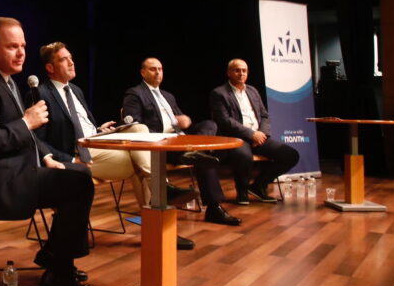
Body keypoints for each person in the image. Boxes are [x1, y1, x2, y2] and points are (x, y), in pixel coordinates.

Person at [0, 18, 100, 286]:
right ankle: (59, 270)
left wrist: (46, 157)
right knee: (79, 184)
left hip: (21, 170)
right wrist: (26, 122)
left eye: (23, 45)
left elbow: (26, 135)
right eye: (12, 46)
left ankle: (56, 259)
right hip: (2, 182)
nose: (21, 52)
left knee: (80, 175)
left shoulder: (4, 80)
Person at [32, 42, 199, 250]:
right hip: (78, 155)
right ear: (50, 67)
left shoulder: (75, 90)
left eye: (71, 58)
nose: (71, 62)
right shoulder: (42, 93)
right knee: (140, 149)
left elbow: (81, 124)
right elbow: (36, 138)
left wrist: (99, 129)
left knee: (138, 134)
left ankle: (159, 220)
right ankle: (161, 208)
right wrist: (69, 159)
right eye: (64, 59)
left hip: (95, 142)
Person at [122, 57, 241, 226]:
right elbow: (134, 126)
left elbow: (182, 120)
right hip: (160, 144)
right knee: (204, 158)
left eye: (160, 69)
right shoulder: (135, 93)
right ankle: (214, 208)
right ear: (143, 72)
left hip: (180, 140)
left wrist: (185, 120)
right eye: (153, 69)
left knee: (209, 124)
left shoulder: (168, 96)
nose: (157, 72)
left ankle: (195, 152)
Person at [209, 58, 300, 204]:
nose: (241, 74)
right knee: (244, 156)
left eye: (244, 71)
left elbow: (264, 115)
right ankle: (242, 191)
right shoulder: (219, 93)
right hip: (236, 138)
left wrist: (261, 134)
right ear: (229, 73)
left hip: (258, 136)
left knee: (291, 155)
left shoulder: (253, 91)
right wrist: (251, 134)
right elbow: (224, 121)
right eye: (237, 70)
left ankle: (259, 185)